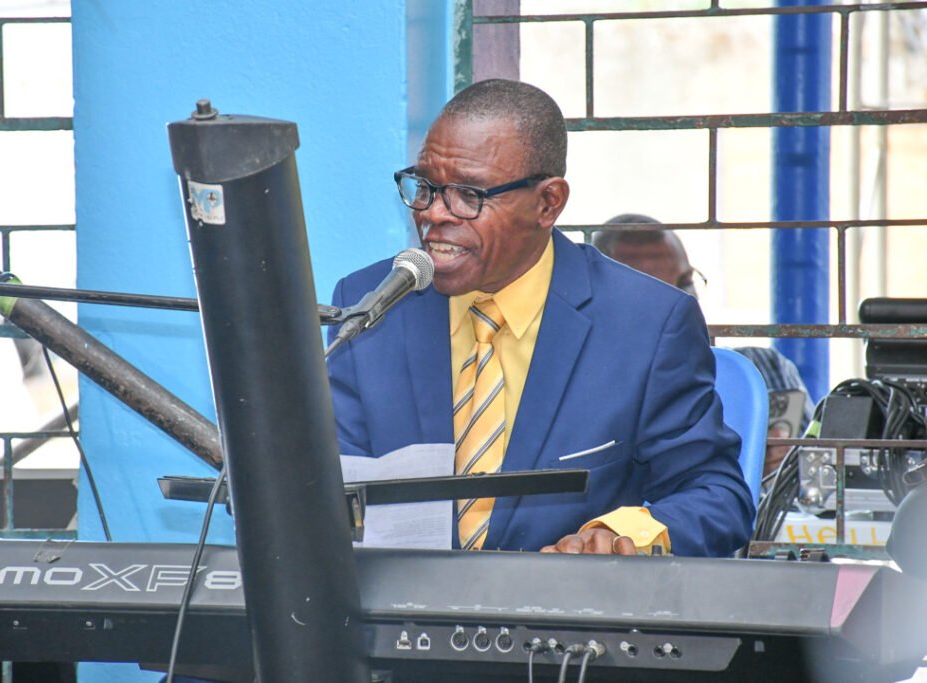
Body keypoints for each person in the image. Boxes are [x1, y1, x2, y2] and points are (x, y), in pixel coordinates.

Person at [327, 79, 754, 558]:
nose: (434, 214)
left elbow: (716, 497)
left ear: (548, 203)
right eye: (425, 187)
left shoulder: (647, 324)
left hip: (566, 619)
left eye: (469, 195)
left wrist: (621, 535)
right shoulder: (372, 306)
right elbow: (326, 482)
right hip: (400, 615)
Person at [592, 214, 816, 476]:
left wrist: (783, 468)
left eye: (686, 282)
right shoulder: (588, 386)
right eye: (656, 291)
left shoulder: (765, 369)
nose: (685, 300)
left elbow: (821, 486)